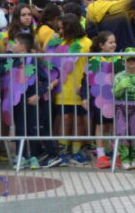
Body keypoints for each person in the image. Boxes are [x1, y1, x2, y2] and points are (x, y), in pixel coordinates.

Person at [45, 12, 91, 168]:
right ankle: (62, 151)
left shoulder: (86, 42)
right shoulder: (56, 43)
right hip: (62, 89)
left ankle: (76, 152)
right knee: (64, 119)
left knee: (78, 120)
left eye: (62, 28)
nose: (60, 31)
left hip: (79, 87)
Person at [8, 33, 50, 171]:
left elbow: (45, 79)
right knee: (19, 128)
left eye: (14, 42)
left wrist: (38, 95)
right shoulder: (12, 59)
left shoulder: (33, 60)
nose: (12, 45)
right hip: (16, 101)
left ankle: (33, 157)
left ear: (22, 46)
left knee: (31, 128)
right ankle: (22, 156)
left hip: (30, 100)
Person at [88, 31, 121, 169]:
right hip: (100, 100)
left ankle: (117, 153)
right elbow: (88, 81)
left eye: (114, 42)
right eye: (110, 42)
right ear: (101, 45)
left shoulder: (119, 58)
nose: (113, 45)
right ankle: (101, 155)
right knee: (100, 126)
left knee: (115, 127)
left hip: (116, 98)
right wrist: (85, 97)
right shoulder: (94, 60)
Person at [112, 52, 135, 170]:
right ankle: (124, 158)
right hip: (120, 108)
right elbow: (114, 94)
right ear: (123, 62)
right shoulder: (118, 77)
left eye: (134, 59)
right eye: (128, 60)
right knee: (121, 131)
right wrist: (119, 87)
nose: (131, 62)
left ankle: (133, 157)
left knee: (134, 131)